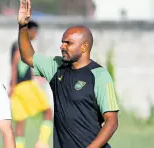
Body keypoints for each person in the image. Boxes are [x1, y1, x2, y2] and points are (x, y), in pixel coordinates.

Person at [16, 0, 120, 148]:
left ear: (84, 47)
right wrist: (22, 26)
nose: (62, 46)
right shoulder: (56, 67)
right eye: (62, 42)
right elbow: (28, 57)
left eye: (68, 43)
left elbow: (112, 121)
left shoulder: (100, 75)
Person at [9, 20, 53, 148]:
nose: (36, 35)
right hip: (25, 86)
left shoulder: (17, 43)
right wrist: (12, 85)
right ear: (29, 30)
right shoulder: (22, 43)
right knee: (48, 112)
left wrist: (34, 76)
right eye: (35, 32)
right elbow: (15, 64)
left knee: (20, 121)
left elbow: (22, 66)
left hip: (18, 87)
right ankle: (42, 142)